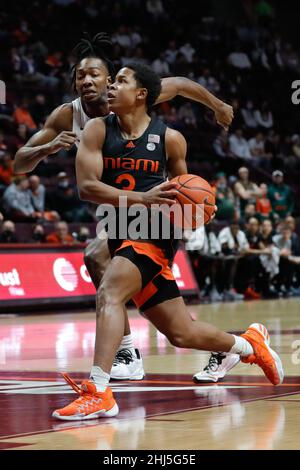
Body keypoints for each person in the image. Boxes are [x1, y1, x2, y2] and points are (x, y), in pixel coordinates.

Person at [52, 63, 283, 420]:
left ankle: (99, 390)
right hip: (119, 226)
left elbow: (186, 191)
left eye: (120, 82)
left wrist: (197, 210)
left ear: (142, 94)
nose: (110, 88)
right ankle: (247, 343)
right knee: (181, 332)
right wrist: (143, 199)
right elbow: (87, 188)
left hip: (154, 230)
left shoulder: (170, 138)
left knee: (109, 293)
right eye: (109, 82)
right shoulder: (97, 130)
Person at [13, 32, 234, 381]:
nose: (86, 81)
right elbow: (19, 163)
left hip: (154, 216)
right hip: (117, 216)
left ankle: (124, 356)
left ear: (111, 78)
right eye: (79, 75)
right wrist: (48, 147)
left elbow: (181, 84)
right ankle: (227, 346)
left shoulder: (134, 96)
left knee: (98, 260)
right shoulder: (66, 116)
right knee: (174, 325)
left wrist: (218, 106)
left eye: (95, 74)